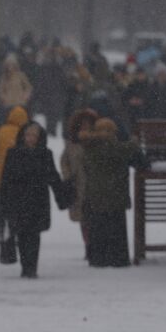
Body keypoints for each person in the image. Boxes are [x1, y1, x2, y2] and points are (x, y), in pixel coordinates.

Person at [0, 120, 68, 278]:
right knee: (22, 234)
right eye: (27, 135)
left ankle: (32, 267)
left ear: (39, 137)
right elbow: (6, 179)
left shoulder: (45, 153)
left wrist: (61, 197)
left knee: (34, 235)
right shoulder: (13, 153)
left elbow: (53, 176)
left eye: (33, 135)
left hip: (38, 200)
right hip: (19, 201)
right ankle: (26, 266)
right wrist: (4, 201)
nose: (30, 138)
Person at [80, 117, 149, 267]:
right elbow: (124, 151)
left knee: (98, 228)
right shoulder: (114, 147)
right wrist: (134, 142)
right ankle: (118, 259)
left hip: (95, 195)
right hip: (116, 195)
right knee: (116, 229)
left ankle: (98, 259)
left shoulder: (89, 147)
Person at [0, 104, 28, 255]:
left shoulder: (0, 130)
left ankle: (1, 229)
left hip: (1, 177)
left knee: (2, 206)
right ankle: (14, 231)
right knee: (16, 206)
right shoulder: (24, 134)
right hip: (18, 178)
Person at [61, 108, 97, 256]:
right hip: (77, 185)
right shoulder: (71, 144)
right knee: (83, 219)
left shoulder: (97, 142)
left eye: (88, 125)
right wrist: (68, 177)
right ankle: (88, 245)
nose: (85, 128)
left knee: (94, 217)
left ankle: (94, 245)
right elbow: (64, 162)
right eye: (82, 125)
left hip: (94, 185)